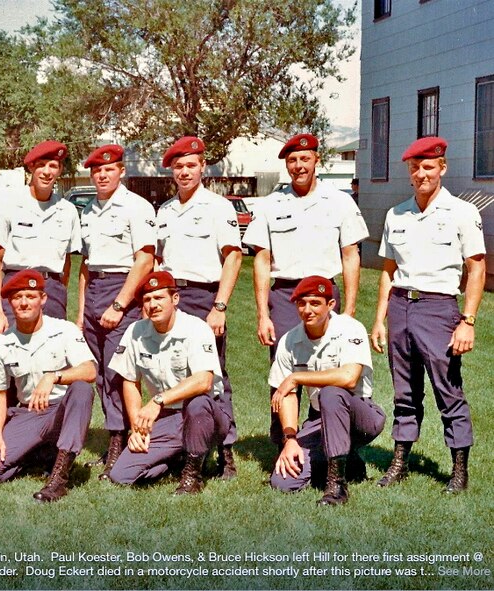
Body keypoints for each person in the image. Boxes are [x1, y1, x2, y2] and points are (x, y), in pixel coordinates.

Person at [371, 136, 486, 494]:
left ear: (442, 168)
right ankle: (400, 461)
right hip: (401, 308)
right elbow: (388, 270)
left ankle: (459, 470)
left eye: (428, 167)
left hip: (439, 310)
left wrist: (467, 320)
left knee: (448, 391)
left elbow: (477, 268)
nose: (421, 174)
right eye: (415, 168)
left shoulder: (463, 213)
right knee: (404, 392)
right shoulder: (397, 213)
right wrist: (379, 318)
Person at [242, 133, 368, 446]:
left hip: (327, 296)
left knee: (332, 367)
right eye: (292, 160)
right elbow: (261, 258)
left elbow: (350, 255)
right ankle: (283, 440)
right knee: (284, 367)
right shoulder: (271, 204)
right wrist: (262, 314)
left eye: (305, 158)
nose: (299, 166)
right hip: (285, 295)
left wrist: (349, 312)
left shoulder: (339, 201)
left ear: (317, 160)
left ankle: (329, 438)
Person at [155, 136, 242, 479]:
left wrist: (219, 305)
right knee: (175, 372)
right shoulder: (164, 210)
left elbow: (233, 257)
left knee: (213, 374)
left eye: (191, 165)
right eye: (179, 167)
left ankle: (227, 450)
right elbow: (159, 259)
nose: (185, 172)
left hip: (206, 298)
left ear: (202, 167)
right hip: (174, 299)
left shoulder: (217, 207)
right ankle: (186, 446)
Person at [0, 270, 97, 502]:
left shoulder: (63, 329)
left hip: (63, 411)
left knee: (81, 389)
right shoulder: (3, 342)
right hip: (29, 412)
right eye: (18, 297)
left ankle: (59, 477)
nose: (24, 302)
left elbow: (89, 371)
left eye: (30, 296)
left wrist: (53, 377)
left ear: (43, 299)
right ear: (10, 302)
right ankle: (37, 455)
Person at [77, 144, 156, 479]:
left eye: (109, 169)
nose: (102, 175)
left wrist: (120, 304)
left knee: (119, 372)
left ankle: (122, 442)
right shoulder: (89, 209)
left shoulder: (136, 207)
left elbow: (145, 259)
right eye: (97, 171)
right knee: (97, 373)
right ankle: (115, 438)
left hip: (121, 290)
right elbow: (85, 264)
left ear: (121, 171)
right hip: (95, 287)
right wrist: (80, 313)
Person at [107, 271, 225, 494]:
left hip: (204, 417)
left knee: (197, 404)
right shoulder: (135, 332)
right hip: (167, 420)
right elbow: (130, 380)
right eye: (147, 299)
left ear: (175, 299)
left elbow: (204, 381)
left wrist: (158, 401)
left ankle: (193, 475)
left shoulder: (196, 328)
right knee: (121, 475)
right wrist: (137, 428)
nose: (153, 305)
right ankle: (177, 457)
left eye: (159, 298)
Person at [269, 276, 384, 505]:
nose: (307, 310)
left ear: (330, 305)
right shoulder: (289, 341)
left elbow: (349, 378)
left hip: (360, 417)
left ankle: (336, 486)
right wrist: (290, 438)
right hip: (319, 420)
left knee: (330, 393)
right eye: (302, 304)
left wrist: (297, 377)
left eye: (315, 303)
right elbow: (286, 394)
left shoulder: (351, 328)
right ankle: (347, 461)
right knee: (283, 482)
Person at [0, 140, 80, 334]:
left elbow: (68, 262)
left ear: (60, 170)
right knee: (14, 354)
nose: (47, 172)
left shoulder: (67, 210)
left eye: (53, 166)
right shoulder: (9, 204)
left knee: (53, 354)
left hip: (52, 290)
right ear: (31, 167)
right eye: (41, 165)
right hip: (16, 288)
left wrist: (57, 291)